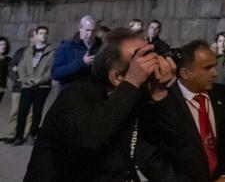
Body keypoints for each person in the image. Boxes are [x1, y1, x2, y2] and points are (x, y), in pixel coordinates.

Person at [24, 27, 176, 181]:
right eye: (138, 60)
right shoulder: (75, 95)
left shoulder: (134, 98)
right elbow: (91, 136)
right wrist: (133, 82)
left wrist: (159, 93)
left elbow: (157, 154)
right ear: (117, 77)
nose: (148, 65)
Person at [145, 39, 225, 182]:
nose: (215, 73)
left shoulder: (224, 95)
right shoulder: (163, 101)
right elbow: (151, 157)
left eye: (215, 66)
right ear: (185, 73)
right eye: (207, 68)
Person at [13, 24, 55, 145]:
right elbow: (21, 67)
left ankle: (32, 134)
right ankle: (18, 136)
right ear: (35, 35)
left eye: (45, 33)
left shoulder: (51, 51)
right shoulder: (28, 50)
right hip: (27, 85)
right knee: (22, 111)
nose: (43, 35)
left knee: (37, 111)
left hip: (42, 87)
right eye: (40, 33)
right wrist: (26, 79)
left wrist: (40, 80)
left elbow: (51, 70)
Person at [3, 29, 35, 143]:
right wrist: (17, 78)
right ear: (31, 38)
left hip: (32, 88)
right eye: (38, 35)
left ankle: (25, 135)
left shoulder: (41, 53)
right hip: (19, 87)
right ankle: (12, 134)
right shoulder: (21, 52)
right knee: (15, 112)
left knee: (30, 113)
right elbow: (11, 67)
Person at [51, 14, 100, 85]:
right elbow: (55, 73)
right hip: (71, 90)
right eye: (87, 30)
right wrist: (82, 62)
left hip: (93, 91)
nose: (90, 34)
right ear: (80, 28)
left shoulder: (102, 47)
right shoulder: (67, 47)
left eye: (94, 31)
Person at [0, 37, 10, 110]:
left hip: (1, 88)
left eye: (5, 44)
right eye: (0, 44)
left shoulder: (9, 60)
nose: (3, 46)